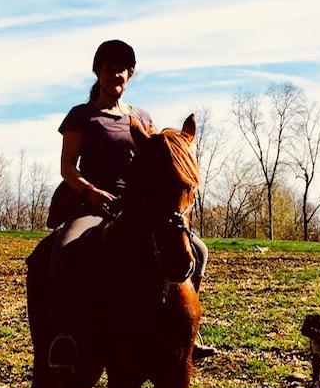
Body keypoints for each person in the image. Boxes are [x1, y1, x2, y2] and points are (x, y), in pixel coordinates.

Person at [51, 39, 215, 358]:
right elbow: (67, 167)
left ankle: (187, 332)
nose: (116, 75)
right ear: (98, 72)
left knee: (199, 250)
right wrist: (91, 192)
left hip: (140, 205)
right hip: (93, 204)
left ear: (130, 75)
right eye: (109, 69)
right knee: (65, 249)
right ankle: (64, 336)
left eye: (123, 70)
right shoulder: (81, 115)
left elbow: (158, 160)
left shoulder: (141, 117)